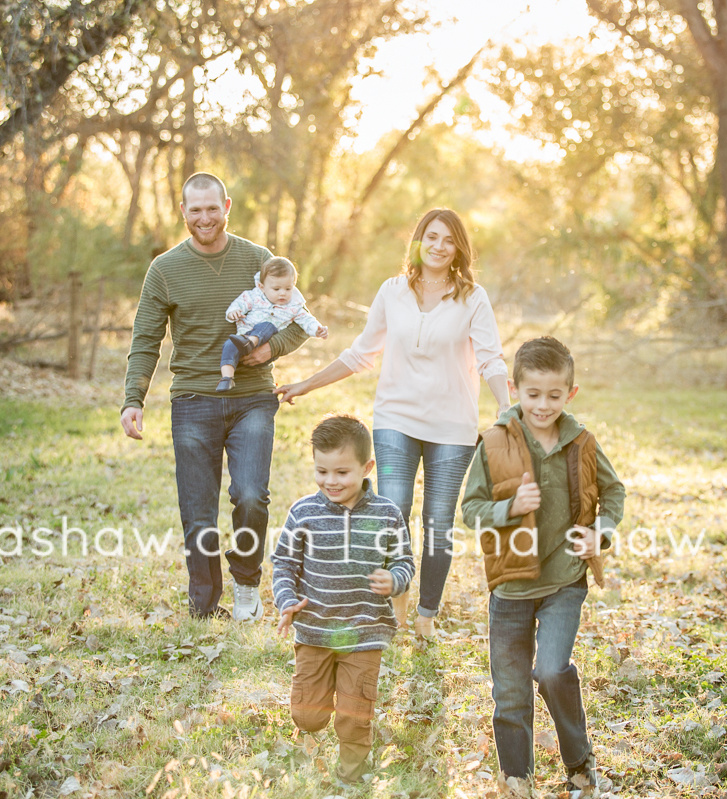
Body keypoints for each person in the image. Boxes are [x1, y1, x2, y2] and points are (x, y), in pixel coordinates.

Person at [275, 208, 510, 638]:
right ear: (418, 240)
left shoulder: (472, 297)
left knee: (438, 519)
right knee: (393, 510)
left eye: (448, 240)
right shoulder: (393, 291)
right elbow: (362, 353)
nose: (439, 246)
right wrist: (307, 384)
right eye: (431, 237)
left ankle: (426, 615)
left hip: (452, 425)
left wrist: (505, 406)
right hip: (396, 417)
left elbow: (491, 357)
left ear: (459, 248)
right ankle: (394, 604)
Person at [120, 172, 310, 620]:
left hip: (253, 399)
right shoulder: (164, 268)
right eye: (195, 209)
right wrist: (134, 398)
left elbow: (299, 320)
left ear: (226, 206)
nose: (205, 217)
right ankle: (204, 605)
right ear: (183, 211)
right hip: (193, 400)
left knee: (250, 494)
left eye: (212, 208)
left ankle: (247, 584)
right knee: (198, 508)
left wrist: (271, 348)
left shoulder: (259, 260)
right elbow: (146, 338)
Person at [461, 336, 625, 789]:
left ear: (569, 394)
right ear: (514, 390)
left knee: (552, 669)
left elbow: (614, 491)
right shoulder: (494, 443)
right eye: (533, 394)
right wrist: (508, 508)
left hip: (564, 581)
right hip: (511, 587)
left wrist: (601, 530)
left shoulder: (582, 442)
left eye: (554, 395)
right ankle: (517, 776)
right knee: (510, 691)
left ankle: (578, 758)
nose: (543, 404)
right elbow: (471, 509)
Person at [272, 415, 414, 783]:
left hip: (366, 630)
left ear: (367, 468)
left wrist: (394, 579)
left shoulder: (387, 514)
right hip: (315, 629)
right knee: (308, 716)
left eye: (341, 472)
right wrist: (287, 600)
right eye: (322, 471)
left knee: (353, 714)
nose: (330, 481)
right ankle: (318, 707)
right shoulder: (304, 512)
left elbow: (404, 562)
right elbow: (284, 562)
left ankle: (351, 773)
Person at [217, 256, 327, 393]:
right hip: (243, 336)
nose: (283, 293)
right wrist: (233, 312)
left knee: (267, 326)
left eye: (288, 289)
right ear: (261, 287)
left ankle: (250, 342)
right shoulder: (253, 296)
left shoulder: (294, 306)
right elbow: (239, 304)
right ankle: (227, 378)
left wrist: (317, 330)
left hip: (266, 344)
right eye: (276, 289)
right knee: (228, 345)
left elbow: (306, 320)